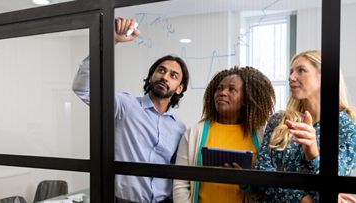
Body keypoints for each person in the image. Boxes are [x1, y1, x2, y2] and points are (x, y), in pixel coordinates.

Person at [72, 18, 190, 203]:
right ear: (151, 76)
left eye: (173, 75)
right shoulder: (124, 106)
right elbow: (83, 88)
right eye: (161, 70)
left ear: (179, 88)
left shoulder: (180, 129)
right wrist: (111, 41)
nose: (165, 77)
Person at [255, 50, 356, 203]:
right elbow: (262, 172)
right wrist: (304, 199)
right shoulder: (279, 120)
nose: (291, 77)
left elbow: (331, 185)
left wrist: (313, 153)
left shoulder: (347, 129)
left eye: (301, 70)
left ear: (324, 77)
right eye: (291, 71)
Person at [173, 66, 275, 203]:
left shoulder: (261, 135)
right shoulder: (194, 133)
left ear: (246, 98)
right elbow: (181, 183)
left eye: (231, 89)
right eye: (219, 88)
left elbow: (266, 188)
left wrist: (245, 183)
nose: (222, 93)